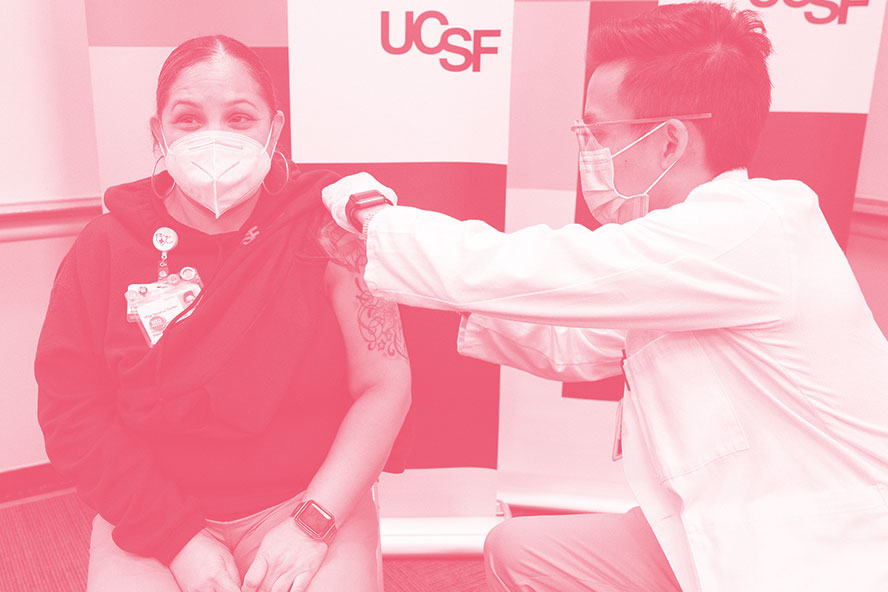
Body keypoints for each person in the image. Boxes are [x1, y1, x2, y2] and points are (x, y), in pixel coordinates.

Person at [320, 3, 888, 591]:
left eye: (599, 132)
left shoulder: (752, 228)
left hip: (821, 548)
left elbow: (528, 267)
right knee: (521, 551)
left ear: (669, 143)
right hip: (720, 527)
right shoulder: (682, 260)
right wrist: (415, 284)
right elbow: (575, 347)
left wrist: (374, 221)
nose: (588, 148)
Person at [35, 35, 411, 592]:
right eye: (188, 119)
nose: (214, 138)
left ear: (275, 130)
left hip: (304, 503)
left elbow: (385, 385)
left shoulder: (328, 231)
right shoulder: (103, 248)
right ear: (157, 132)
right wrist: (175, 536)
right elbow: (73, 413)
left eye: (239, 118)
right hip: (149, 515)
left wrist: (313, 522)